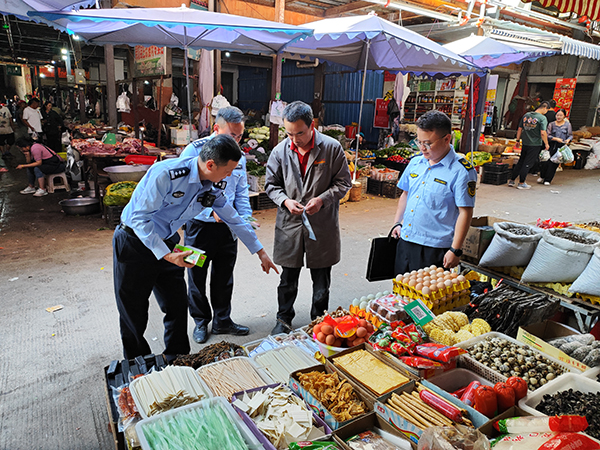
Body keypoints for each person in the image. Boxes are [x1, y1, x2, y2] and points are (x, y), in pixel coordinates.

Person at [113, 133, 277, 360]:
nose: (230, 176)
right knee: (133, 311)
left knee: (177, 306)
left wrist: (260, 251)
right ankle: (139, 365)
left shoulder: (211, 184)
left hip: (169, 241)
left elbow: (232, 217)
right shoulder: (166, 174)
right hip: (134, 243)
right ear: (210, 164)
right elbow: (140, 220)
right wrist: (167, 255)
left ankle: (178, 360)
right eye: (227, 171)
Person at [265, 101, 352, 335]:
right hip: (290, 224)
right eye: (289, 133)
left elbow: (344, 182)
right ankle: (283, 319)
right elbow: (271, 186)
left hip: (321, 223)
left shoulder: (332, 148)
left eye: (300, 133)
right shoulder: (280, 151)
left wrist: (322, 199)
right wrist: (285, 200)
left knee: (321, 280)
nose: (295, 139)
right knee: (287, 278)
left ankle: (319, 321)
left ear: (312, 125)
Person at [179, 106, 256, 344]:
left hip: (227, 227)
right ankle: (201, 321)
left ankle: (223, 320)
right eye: (231, 135)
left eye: (240, 136)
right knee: (196, 275)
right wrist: (210, 209)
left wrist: (245, 219)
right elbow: (182, 191)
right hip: (198, 227)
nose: (236, 140)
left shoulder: (238, 157)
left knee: (224, 276)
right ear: (216, 128)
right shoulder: (194, 151)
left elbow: (241, 192)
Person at [391, 110, 476, 275]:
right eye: (418, 141)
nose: (422, 148)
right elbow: (406, 194)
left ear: (447, 139)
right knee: (400, 294)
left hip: (434, 248)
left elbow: (465, 211)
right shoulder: (416, 163)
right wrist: (397, 223)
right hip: (406, 240)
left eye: (428, 143)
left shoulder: (462, 171)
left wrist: (455, 249)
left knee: (425, 298)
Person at [508, 102, 549, 190]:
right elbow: (543, 132)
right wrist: (546, 143)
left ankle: (512, 180)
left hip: (525, 142)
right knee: (527, 163)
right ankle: (521, 182)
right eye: (547, 110)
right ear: (544, 108)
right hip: (535, 144)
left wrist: (518, 140)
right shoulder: (542, 118)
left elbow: (519, 128)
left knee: (521, 161)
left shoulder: (526, 115)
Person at [538, 108, 572, 186]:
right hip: (551, 144)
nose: (558, 117)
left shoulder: (567, 125)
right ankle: (542, 176)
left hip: (561, 146)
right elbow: (548, 134)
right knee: (545, 160)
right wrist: (555, 138)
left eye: (560, 115)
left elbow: (570, 135)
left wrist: (568, 140)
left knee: (554, 163)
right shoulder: (551, 124)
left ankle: (548, 179)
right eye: (557, 115)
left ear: (564, 116)